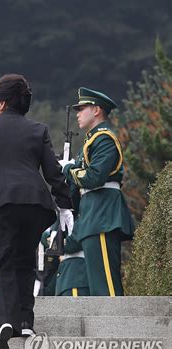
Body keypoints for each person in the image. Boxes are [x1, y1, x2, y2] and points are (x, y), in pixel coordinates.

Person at [0, 74, 73, 349]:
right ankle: (26, 322)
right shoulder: (38, 129)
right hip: (36, 203)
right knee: (25, 261)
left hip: (1, 202)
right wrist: (65, 204)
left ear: (1, 103)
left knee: (3, 262)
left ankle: (4, 322)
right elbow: (53, 170)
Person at [59, 87, 134, 296]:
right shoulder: (90, 142)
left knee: (106, 285)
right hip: (93, 215)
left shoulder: (104, 139)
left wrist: (68, 168)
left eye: (82, 108)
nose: (77, 114)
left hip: (103, 214)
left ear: (97, 110)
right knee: (97, 285)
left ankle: (114, 327)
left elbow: (93, 178)